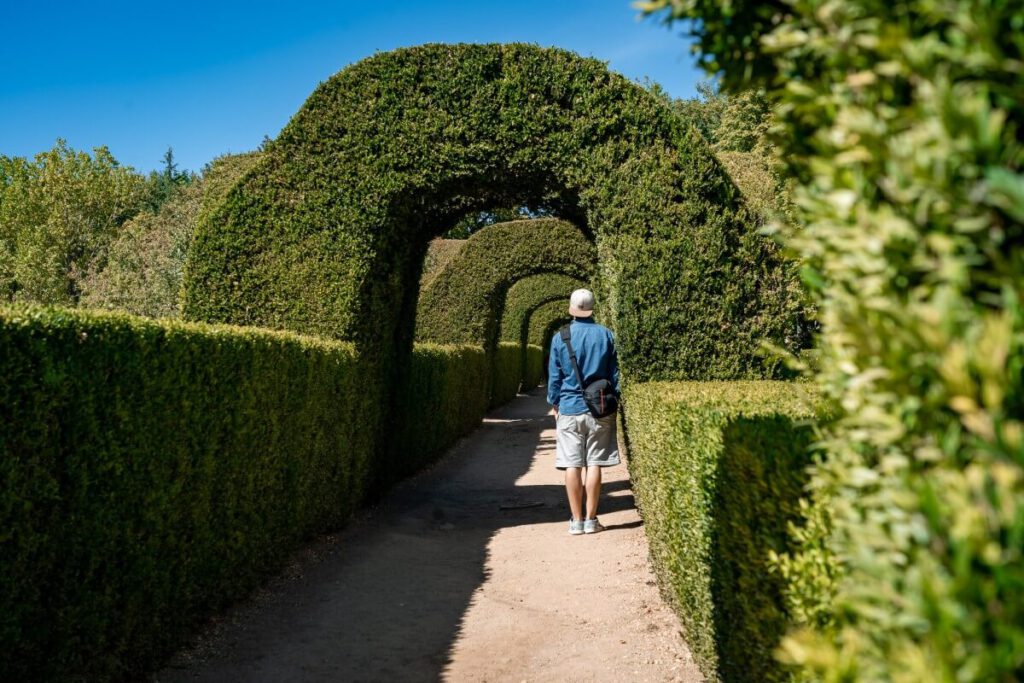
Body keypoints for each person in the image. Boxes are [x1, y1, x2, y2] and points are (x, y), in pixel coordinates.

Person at [546, 288, 620, 535]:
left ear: (572, 309)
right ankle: (591, 519)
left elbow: (554, 377)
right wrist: (615, 399)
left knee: (572, 464)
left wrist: (554, 403)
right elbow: (615, 375)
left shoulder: (561, 337)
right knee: (595, 462)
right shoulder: (606, 335)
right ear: (592, 308)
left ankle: (576, 521)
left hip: (569, 406)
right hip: (599, 407)